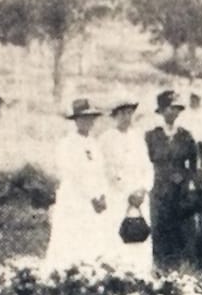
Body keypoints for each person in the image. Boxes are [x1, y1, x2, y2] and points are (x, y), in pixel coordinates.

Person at [44, 98, 109, 270]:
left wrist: (102, 195)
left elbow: (100, 172)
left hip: (94, 200)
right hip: (74, 199)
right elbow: (73, 174)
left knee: (92, 239)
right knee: (70, 238)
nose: (88, 122)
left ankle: (89, 274)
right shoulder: (67, 144)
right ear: (76, 120)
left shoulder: (95, 144)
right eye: (83, 118)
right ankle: (64, 274)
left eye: (91, 118)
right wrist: (92, 196)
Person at [145, 89, 198, 270]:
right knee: (159, 233)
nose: (173, 113)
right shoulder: (151, 136)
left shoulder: (186, 136)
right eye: (169, 109)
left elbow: (193, 165)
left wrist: (183, 176)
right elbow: (145, 161)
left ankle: (179, 275)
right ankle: (159, 274)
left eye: (176, 109)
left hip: (180, 194)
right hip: (158, 192)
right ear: (160, 111)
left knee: (180, 235)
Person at [100, 99, 154, 272]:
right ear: (115, 116)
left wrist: (143, 189)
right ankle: (118, 274)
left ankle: (140, 272)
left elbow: (147, 166)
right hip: (118, 195)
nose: (126, 117)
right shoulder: (107, 138)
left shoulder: (138, 137)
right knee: (118, 234)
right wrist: (125, 190)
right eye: (122, 113)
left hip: (139, 197)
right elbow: (106, 168)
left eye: (130, 113)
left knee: (140, 234)